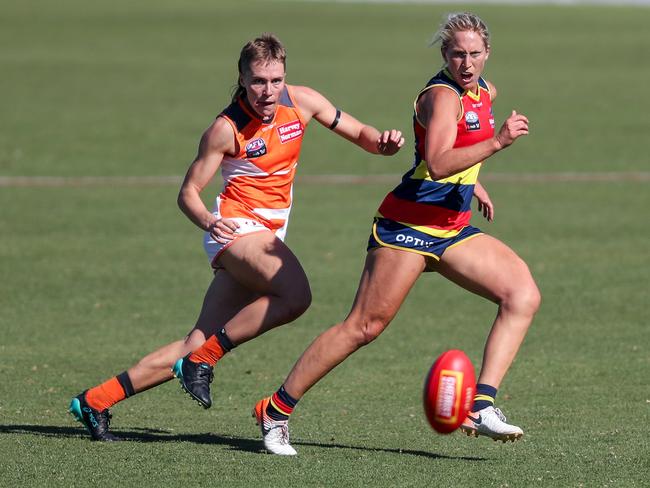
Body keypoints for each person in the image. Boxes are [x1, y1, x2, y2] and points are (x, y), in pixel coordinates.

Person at [68, 33, 404, 441]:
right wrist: (209, 222)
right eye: (259, 81)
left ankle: (95, 401)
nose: (268, 91)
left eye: (276, 80)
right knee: (296, 295)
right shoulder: (225, 129)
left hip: (268, 232)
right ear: (243, 78)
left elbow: (362, 134)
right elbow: (187, 193)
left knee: (193, 343)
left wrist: (383, 144)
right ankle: (203, 362)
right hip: (235, 228)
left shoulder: (303, 101)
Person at [247, 13, 541, 455]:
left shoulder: (484, 91)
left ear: (487, 54)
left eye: (475, 54)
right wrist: (496, 144)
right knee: (364, 326)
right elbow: (439, 162)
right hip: (408, 226)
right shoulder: (443, 96)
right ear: (445, 54)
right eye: (457, 53)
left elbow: (438, 153)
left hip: (451, 226)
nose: (466, 62)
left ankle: (481, 406)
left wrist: (473, 180)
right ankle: (275, 409)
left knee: (523, 295)